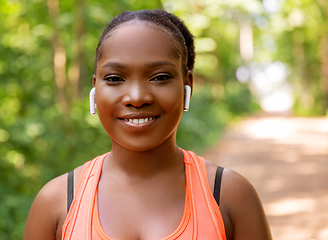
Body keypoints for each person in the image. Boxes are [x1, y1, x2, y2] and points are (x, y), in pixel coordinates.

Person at [23, 9, 272, 240]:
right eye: (114, 78)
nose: (137, 97)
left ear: (188, 86)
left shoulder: (230, 196)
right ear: (95, 89)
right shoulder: (56, 203)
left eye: (160, 77)